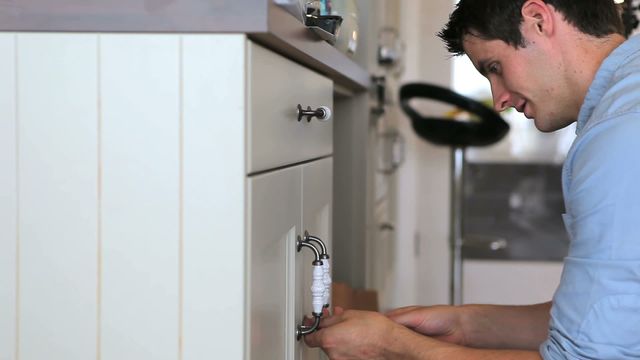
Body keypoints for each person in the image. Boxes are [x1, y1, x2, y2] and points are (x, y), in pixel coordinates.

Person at [305, 0, 640, 358]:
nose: (499, 100)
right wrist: (464, 324)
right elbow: (606, 322)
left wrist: (391, 347)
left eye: (495, 67)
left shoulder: (619, 135)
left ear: (539, 19)